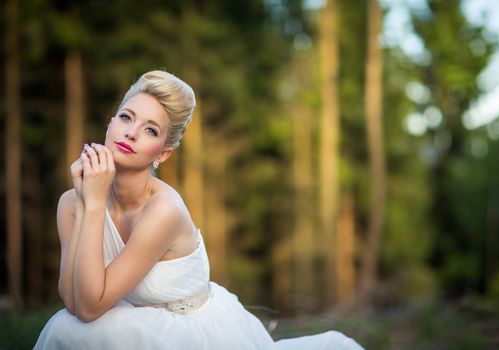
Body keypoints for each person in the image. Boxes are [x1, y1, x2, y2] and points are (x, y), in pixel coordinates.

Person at [34, 70, 364, 350]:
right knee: (64, 323)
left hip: (191, 332)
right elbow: (74, 301)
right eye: (126, 117)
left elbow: (89, 310)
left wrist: (93, 206)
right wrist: (86, 202)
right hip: (132, 323)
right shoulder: (71, 201)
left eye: (150, 130)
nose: (131, 133)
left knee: (67, 329)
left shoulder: (164, 210)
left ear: (162, 154)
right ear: (110, 124)